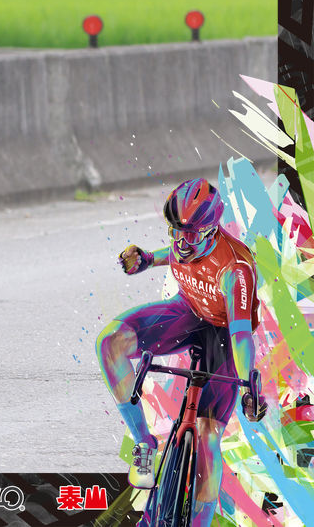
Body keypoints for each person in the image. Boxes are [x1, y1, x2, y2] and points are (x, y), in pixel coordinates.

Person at [96, 178, 268, 527]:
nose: (181, 242)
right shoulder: (186, 239)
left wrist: (250, 386)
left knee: (206, 438)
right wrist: (147, 260)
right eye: (176, 232)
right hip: (187, 312)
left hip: (225, 335)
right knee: (109, 342)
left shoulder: (235, 270)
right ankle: (144, 443)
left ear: (212, 230)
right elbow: (173, 253)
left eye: (191, 235)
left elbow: (240, 335)